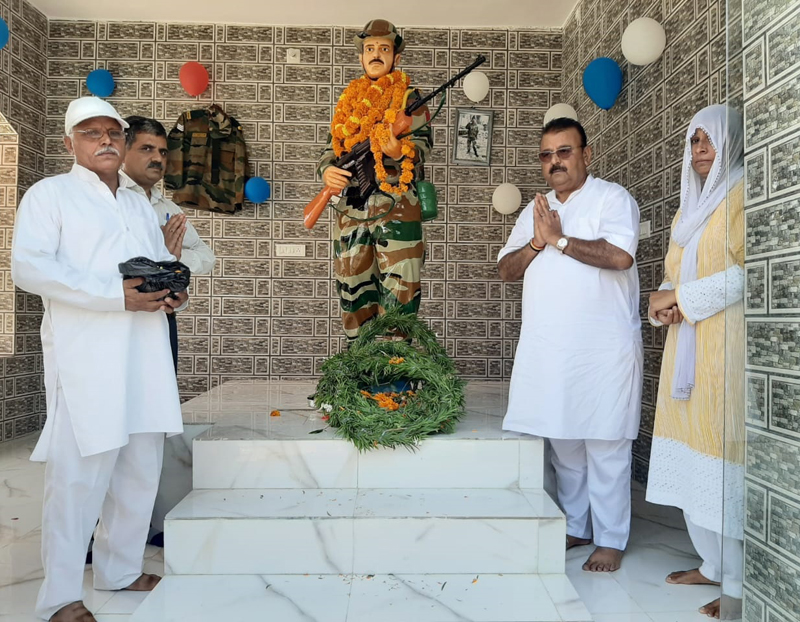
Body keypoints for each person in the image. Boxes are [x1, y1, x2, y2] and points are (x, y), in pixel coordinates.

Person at [11, 96, 185, 622]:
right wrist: (116, 295)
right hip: (88, 354)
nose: (106, 140)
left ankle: (121, 569)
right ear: (70, 143)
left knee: (139, 465)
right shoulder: (50, 195)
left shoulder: (136, 203)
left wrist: (170, 285)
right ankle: (60, 596)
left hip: (145, 349)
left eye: (114, 131)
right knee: (80, 476)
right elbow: (30, 268)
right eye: (91, 132)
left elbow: (146, 269)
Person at [498, 117, 642, 573]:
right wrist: (537, 243)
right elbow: (506, 268)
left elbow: (619, 256)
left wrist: (558, 239)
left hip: (602, 349)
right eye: (546, 154)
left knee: (606, 444)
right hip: (550, 349)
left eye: (564, 151)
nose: (555, 161)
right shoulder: (533, 209)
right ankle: (578, 526)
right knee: (564, 446)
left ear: (586, 153)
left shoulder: (612, 198)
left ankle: (612, 538)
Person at [646, 104, 745, 619]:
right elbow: (671, 275)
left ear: (730, 143)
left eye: (709, 139)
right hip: (684, 347)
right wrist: (660, 303)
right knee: (689, 451)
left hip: (722, 348)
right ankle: (710, 562)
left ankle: (740, 580)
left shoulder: (742, 195)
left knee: (720, 453)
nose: (700, 149)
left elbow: (747, 273)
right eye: (694, 140)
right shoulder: (689, 211)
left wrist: (682, 300)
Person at [317, 19, 432, 340]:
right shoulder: (348, 102)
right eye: (370, 49)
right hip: (352, 212)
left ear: (395, 56)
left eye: (384, 48)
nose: (376, 54)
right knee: (352, 288)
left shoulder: (410, 96)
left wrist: (401, 148)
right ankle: (360, 367)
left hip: (396, 208)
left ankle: (397, 374)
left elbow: (423, 145)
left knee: (400, 289)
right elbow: (330, 150)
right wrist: (327, 170)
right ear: (361, 57)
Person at [122, 115, 216, 372]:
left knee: (159, 405)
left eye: (163, 151)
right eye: (147, 149)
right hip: (118, 320)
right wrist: (160, 252)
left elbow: (207, 257)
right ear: (122, 150)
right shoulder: (109, 198)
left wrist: (171, 259)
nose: (158, 158)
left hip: (163, 317)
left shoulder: (168, 208)